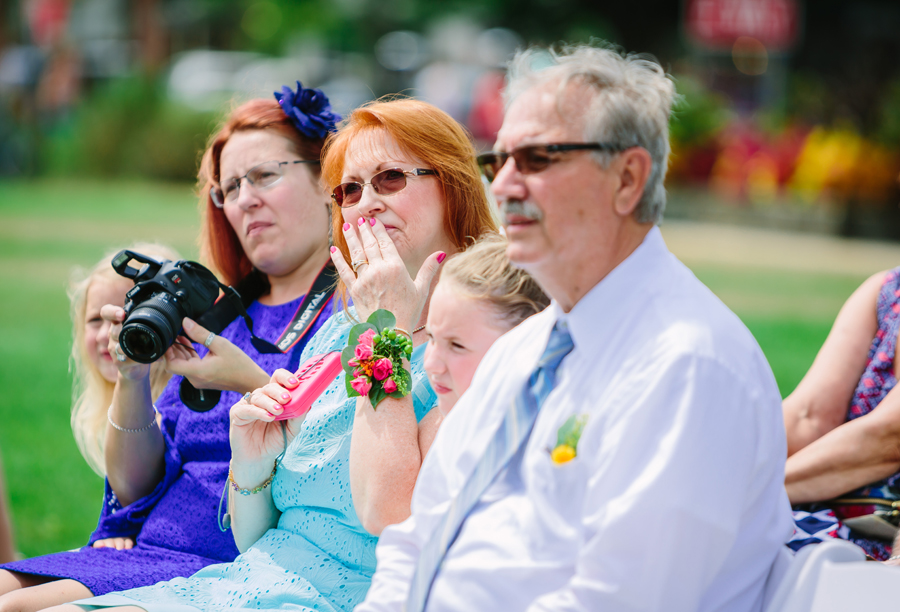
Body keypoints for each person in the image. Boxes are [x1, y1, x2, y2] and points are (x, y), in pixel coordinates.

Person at [357, 43, 795, 612]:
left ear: (628, 178)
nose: (506, 184)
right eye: (501, 160)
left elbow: (617, 601)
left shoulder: (686, 366)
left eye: (538, 159)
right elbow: (416, 537)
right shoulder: (527, 347)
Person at [58, 98, 498, 612]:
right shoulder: (341, 332)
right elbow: (257, 536)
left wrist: (388, 325)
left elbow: (389, 514)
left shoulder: (478, 339)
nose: (367, 203)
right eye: (350, 190)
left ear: (452, 184)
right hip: (246, 580)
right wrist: (251, 461)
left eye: (391, 178)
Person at [0, 82, 341, 612]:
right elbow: (135, 489)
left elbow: (342, 460)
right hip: (151, 544)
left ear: (325, 179)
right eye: (229, 188)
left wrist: (245, 379)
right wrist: (132, 380)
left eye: (265, 175)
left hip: (240, 559)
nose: (245, 198)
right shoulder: (217, 314)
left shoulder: (352, 310)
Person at [784, 268, 900, 561]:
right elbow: (807, 417)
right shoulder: (887, 291)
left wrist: (747, 492)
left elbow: (887, 440)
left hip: (883, 550)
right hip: (828, 522)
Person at [415, 235, 549, 458]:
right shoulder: (447, 436)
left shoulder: (547, 452)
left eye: (457, 345)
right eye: (431, 337)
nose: (431, 364)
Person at [69, 244, 180, 480]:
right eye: (95, 320)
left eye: (126, 317)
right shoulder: (113, 409)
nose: (105, 335)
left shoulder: (173, 413)